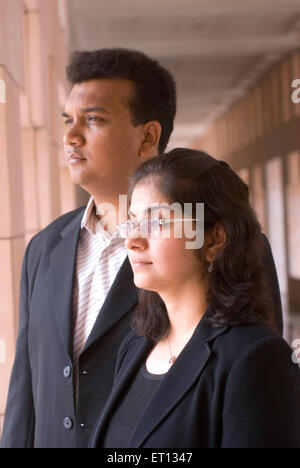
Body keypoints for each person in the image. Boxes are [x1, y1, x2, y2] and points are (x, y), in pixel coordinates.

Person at [1, 49, 281, 449]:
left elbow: (253, 386)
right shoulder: (44, 248)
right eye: (68, 120)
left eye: (93, 119)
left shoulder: (218, 242)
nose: (70, 136)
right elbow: (25, 390)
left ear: (148, 135)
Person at [89, 148, 300, 449]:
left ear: (214, 239)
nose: (133, 241)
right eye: (133, 221)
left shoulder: (254, 358)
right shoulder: (135, 344)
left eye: (158, 223)